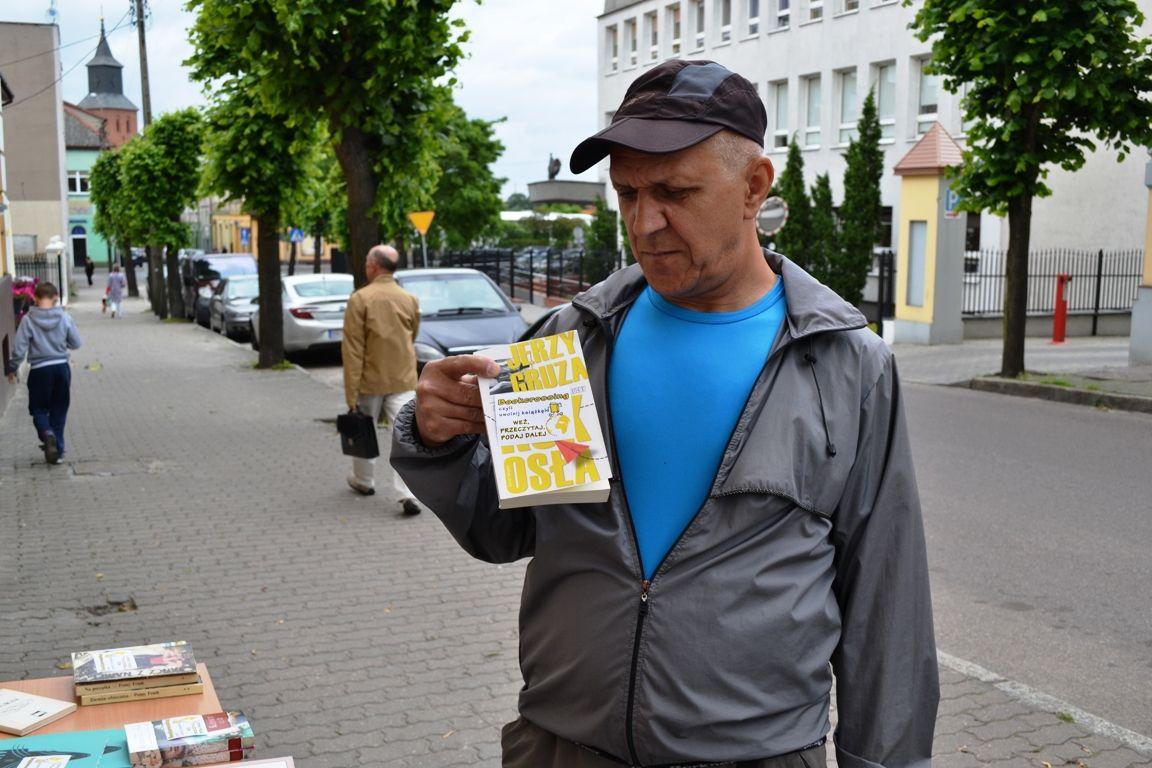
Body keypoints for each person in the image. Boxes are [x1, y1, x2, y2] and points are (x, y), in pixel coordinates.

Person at [391, 60, 937, 768]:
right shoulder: (569, 339)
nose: (644, 223)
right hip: (562, 745)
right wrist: (434, 438)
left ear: (754, 187)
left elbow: (885, 603)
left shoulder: (846, 366)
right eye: (627, 194)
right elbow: (503, 529)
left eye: (675, 192)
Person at [341, 244, 422, 516]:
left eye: (366, 261)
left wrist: (351, 393)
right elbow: (412, 336)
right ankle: (408, 493)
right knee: (406, 436)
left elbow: (353, 349)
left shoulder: (360, 299)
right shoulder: (409, 299)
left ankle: (364, 481)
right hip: (403, 378)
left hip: (369, 380)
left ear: (373, 266)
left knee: (364, 431)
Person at [5, 282, 82, 465]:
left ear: (36, 298)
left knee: (39, 409)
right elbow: (76, 343)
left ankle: (47, 434)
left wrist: (12, 367)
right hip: (61, 368)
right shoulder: (64, 317)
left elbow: (20, 348)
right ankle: (59, 452)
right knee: (59, 409)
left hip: (40, 371)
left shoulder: (28, 320)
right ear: (56, 297)